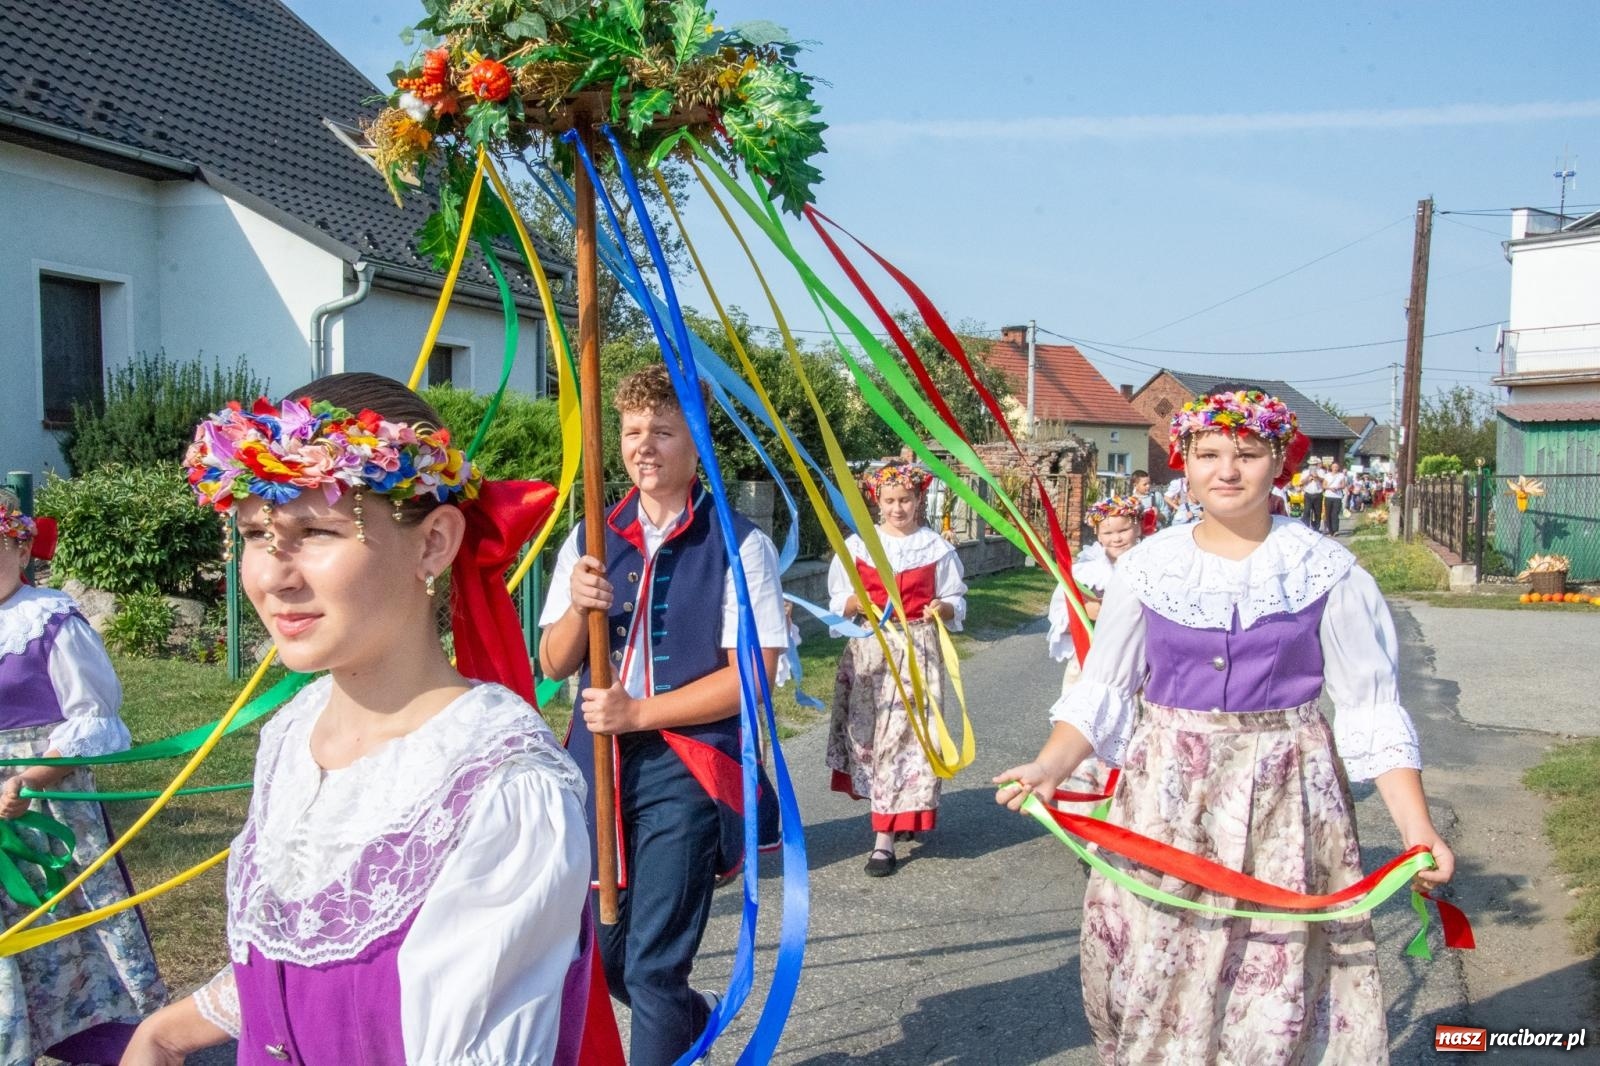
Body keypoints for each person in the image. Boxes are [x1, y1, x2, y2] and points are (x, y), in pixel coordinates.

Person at [124, 373, 593, 1066]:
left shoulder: (501, 793)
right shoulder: (293, 735)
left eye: (315, 530)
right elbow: (296, 956)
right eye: (257, 534)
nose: (274, 576)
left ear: (434, 543)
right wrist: (163, 1033)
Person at [996, 389, 1454, 1064]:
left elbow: (1372, 709)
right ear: (1185, 463)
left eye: (1247, 453)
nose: (1227, 471)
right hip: (1165, 797)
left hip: (1285, 798)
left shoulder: (1325, 571)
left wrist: (1418, 831)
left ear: (1282, 463)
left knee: (1270, 979)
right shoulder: (1150, 567)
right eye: (1208, 454)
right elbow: (1104, 693)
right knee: (1152, 965)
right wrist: (1049, 766)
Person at [538, 364, 787, 1066]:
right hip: (599, 768)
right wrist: (579, 608)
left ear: (697, 441)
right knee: (609, 956)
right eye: (632, 430)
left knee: (652, 966)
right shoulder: (592, 536)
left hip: (689, 769)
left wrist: (639, 711)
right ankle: (689, 1024)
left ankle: (669, 1029)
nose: (643, 445)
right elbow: (554, 662)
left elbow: (753, 677)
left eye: (662, 431)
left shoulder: (740, 544)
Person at [0, 494, 165, 1066]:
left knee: (59, 916)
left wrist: (31, 778)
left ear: (20, 548)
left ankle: (96, 1036)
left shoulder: (46, 617)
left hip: (42, 801)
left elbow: (94, 717)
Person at [825, 460, 966, 879]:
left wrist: (942, 606)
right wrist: (854, 604)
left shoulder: (935, 548)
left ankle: (883, 841)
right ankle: (893, 809)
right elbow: (839, 598)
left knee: (903, 739)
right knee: (871, 736)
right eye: (889, 500)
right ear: (877, 501)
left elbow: (955, 597)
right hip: (871, 653)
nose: (898, 508)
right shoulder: (858, 547)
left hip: (916, 654)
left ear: (919, 499)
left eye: (905, 499)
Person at [1045, 495, 1141, 818]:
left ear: (1137, 527)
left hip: (1136, 672)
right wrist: (1089, 610)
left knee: (1130, 739)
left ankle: (1122, 816)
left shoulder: (1150, 565)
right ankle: (1084, 818)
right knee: (1087, 737)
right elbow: (1062, 610)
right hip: (1088, 666)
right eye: (1109, 532)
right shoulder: (1086, 571)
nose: (1117, 538)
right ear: (1098, 535)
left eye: (1123, 530)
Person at [1128, 470, 1169, 536]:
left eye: (1149, 483)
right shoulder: (1130, 501)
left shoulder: (1156, 496)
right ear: (1135, 485)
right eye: (1145, 484)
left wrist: (1157, 515)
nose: (1148, 486)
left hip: (1157, 534)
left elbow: (1167, 515)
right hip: (1140, 536)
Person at [1323, 460, 1350, 535]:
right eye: (1334, 467)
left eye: (1336, 467)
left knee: (1335, 513)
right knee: (1328, 513)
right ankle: (1330, 530)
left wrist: (1338, 487)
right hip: (1328, 495)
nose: (1335, 468)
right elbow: (1324, 485)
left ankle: (1335, 530)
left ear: (1338, 468)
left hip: (1337, 496)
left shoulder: (1341, 475)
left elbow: (1343, 485)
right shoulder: (1327, 475)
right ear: (1331, 467)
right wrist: (1329, 488)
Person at [1300, 458, 1326, 532]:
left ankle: (1316, 528)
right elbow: (1302, 482)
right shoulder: (1305, 472)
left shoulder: (1321, 471)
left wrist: (1316, 476)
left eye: (1314, 464)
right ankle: (1306, 527)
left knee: (1317, 512)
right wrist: (1309, 477)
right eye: (1311, 464)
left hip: (1318, 494)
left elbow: (1324, 481)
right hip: (1308, 494)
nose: (1313, 466)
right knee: (1307, 511)